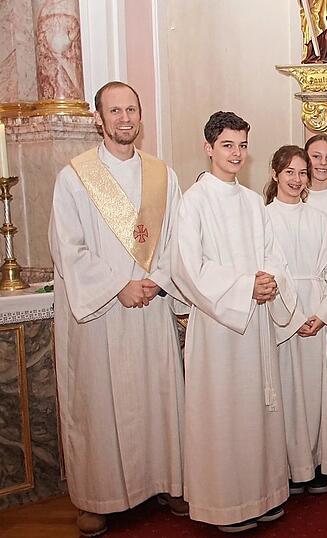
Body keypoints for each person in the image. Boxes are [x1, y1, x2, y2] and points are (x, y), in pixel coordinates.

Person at [49, 81, 188, 537]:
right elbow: (68, 247)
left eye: (131, 109)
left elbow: (176, 240)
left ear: (140, 116)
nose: (124, 118)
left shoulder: (162, 175)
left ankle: (165, 481)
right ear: (99, 118)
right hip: (103, 315)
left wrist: (155, 282)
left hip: (150, 307)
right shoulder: (75, 176)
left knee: (158, 396)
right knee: (100, 403)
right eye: (115, 111)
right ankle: (99, 496)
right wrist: (117, 286)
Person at [170, 111, 296, 532]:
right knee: (223, 413)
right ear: (208, 148)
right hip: (219, 326)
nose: (236, 153)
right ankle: (225, 505)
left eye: (242, 145)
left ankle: (261, 494)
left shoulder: (250, 202)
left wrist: (270, 280)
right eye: (227, 145)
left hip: (256, 323)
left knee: (257, 411)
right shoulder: (193, 202)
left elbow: (272, 252)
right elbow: (188, 267)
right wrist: (245, 286)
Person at [263, 145, 327, 495]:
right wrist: (293, 316)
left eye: (302, 172)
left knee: (316, 391)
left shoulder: (319, 219)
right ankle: (288, 465)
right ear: (275, 174)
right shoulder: (263, 218)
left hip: (317, 310)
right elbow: (267, 270)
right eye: (289, 172)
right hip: (280, 312)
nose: (297, 179)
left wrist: (321, 314)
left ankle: (315, 462)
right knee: (286, 390)